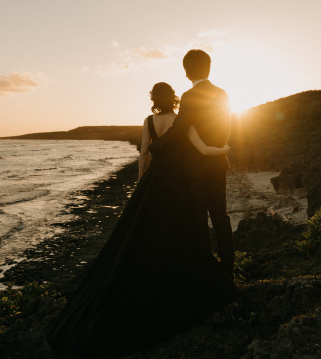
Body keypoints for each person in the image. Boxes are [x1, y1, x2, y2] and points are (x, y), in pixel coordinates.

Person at [47, 81, 236, 359]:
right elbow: (204, 150)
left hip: (153, 185)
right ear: (173, 98)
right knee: (181, 233)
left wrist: (140, 186)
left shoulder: (148, 121)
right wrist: (225, 150)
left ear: (153, 99)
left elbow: (143, 156)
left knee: (145, 234)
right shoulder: (182, 121)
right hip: (179, 185)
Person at [149, 49, 235, 279]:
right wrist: (216, 149)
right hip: (217, 163)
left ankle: (206, 270)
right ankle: (228, 270)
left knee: (199, 217)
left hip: (195, 168)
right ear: (209, 67)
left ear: (187, 72)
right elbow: (226, 129)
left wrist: (155, 147)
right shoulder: (223, 94)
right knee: (220, 215)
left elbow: (179, 130)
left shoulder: (190, 96)